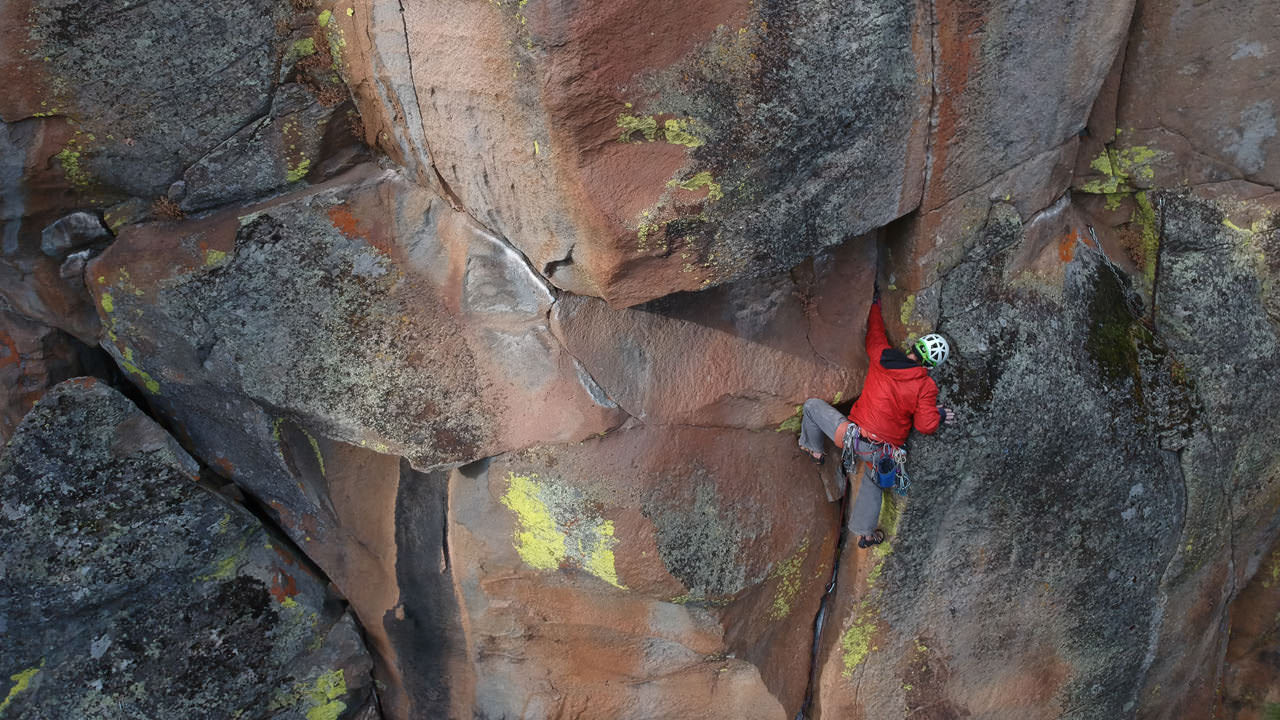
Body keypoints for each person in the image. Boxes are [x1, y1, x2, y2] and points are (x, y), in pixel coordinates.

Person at [798, 286, 955, 549]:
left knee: (812, 406)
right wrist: (937, 413)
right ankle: (864, 532)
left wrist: (875, 306)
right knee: (875, 480)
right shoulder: (925, 386)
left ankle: (812, 448)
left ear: (914, 347)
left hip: (850, 436)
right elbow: (925, 426)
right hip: (880, 452)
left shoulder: (883, 357)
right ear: (930, 366)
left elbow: (875, 335)